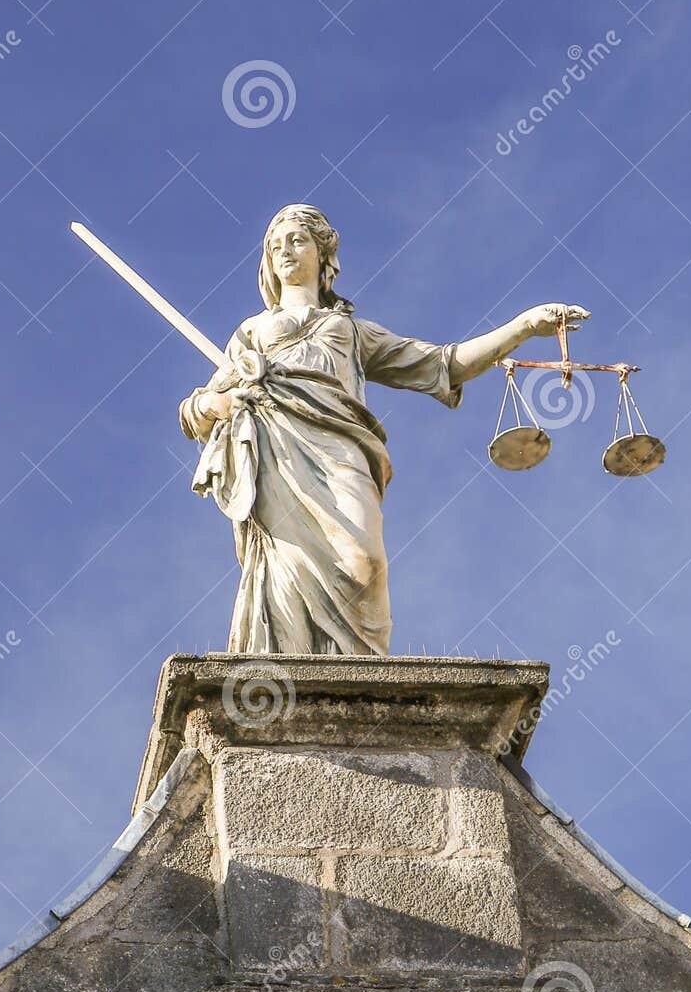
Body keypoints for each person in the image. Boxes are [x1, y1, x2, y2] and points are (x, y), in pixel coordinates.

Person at [179, 203, 588, 654]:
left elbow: (444, 364)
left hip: (341, 448)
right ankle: (289, 668)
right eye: (275, 247)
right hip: (275, 450)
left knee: (364, 564)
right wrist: (217, 403)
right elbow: (196, 410)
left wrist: (524, 326)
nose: (286, 252)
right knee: (285, 566)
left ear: (323, 253)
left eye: (297, 240)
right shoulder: (252, 332)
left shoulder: (351, 331)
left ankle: (363, 675)